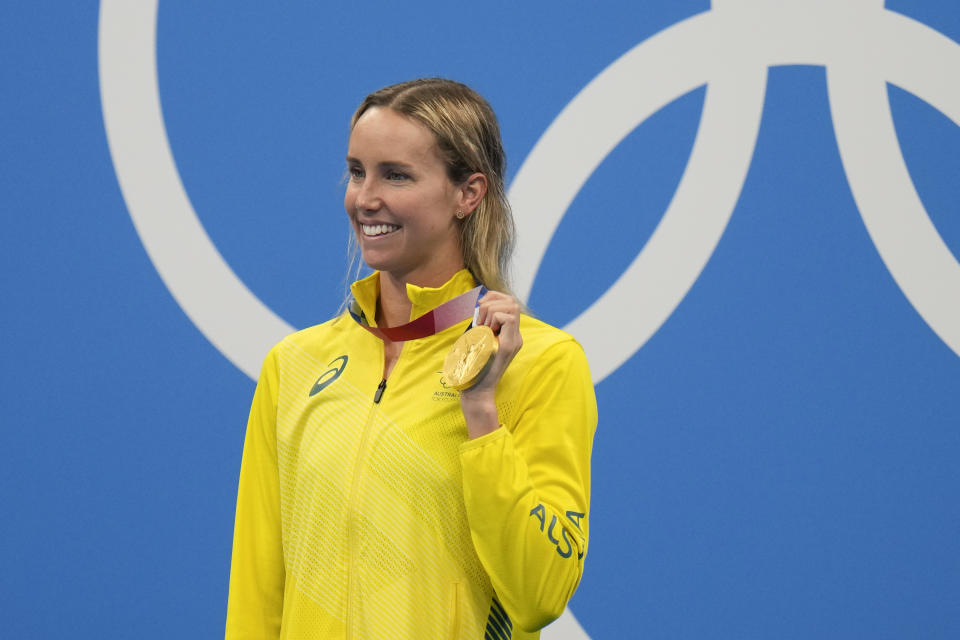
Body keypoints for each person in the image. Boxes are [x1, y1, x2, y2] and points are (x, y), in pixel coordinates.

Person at [225, 78, 597, 640]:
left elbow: (539, 594)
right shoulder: (295, 363)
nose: (364, 198)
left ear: (467, 194)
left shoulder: (543, 362)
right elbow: (257, 592)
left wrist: (480, 410)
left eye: (395, 175)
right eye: (357, 171)